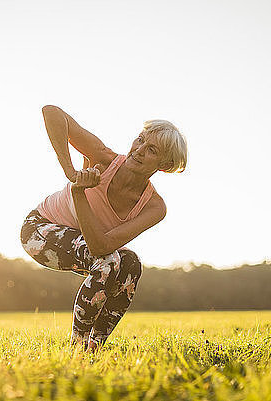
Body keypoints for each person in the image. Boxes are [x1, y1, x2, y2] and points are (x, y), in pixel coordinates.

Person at [20, 105, 187, 351]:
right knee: (108, 262)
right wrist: (70, 173)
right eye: (140, 140)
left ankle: (94, 348)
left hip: (84, 242)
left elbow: (101, 245)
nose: (139, 150)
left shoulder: (154, 207)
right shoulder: (103, 158)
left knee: (130, 264)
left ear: (165, 164)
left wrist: (80, 194)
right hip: (39, 230)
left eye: (151, 150)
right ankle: (78, 348)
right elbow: (52, 112)